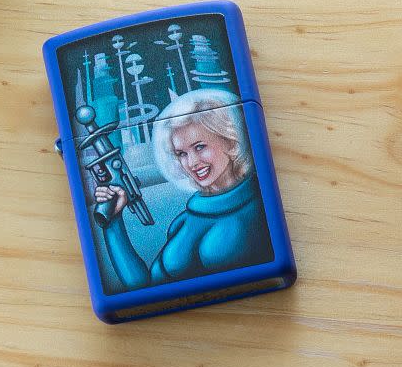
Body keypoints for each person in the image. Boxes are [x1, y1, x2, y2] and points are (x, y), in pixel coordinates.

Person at [94, 89, 272, 289]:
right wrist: (113, 223)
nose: (192, 163)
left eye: (199, 147)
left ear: (230, 142)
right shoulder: (185, 220)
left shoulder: (261, 206)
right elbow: (144, 290)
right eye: (181, 153)